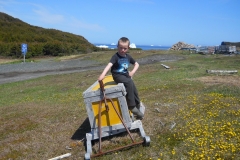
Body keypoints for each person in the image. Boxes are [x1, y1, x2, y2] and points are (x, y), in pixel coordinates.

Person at [98, 37, 144, 120]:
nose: (122, 50)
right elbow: (109, 65)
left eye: (125, 48)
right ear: (117, 46)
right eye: (121, 48)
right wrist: (102, 75)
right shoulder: (115, 56)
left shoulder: (128, 57)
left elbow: (137, 64)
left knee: (133, 88)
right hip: (117, 76)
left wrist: (132, 72)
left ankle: (137, 105)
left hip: (126, 75)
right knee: (129, 83)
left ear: (128, 48)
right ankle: (132, 106)